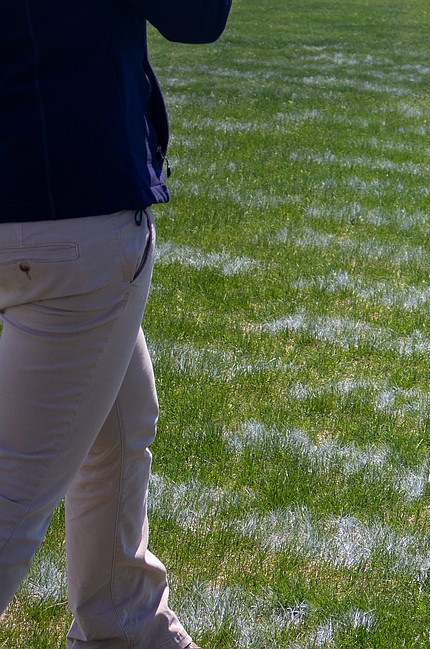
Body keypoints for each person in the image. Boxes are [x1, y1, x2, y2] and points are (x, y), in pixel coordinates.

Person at [1, 1, 231, 646]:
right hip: (70, 212)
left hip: (30, 201)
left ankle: (127, 628)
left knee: (122, 426)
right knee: (12, 500)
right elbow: (197, 15)